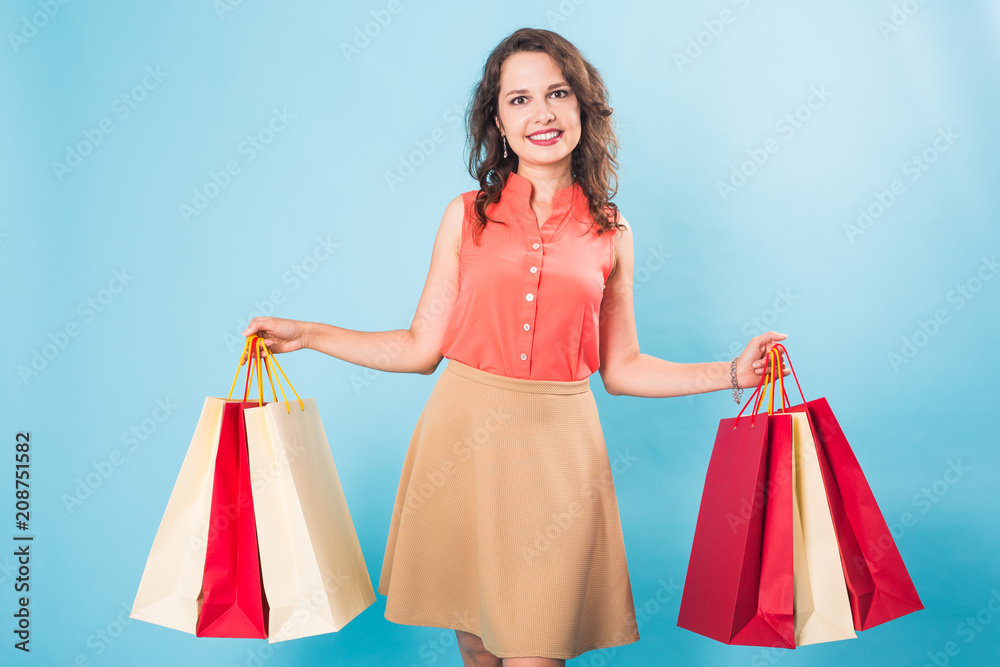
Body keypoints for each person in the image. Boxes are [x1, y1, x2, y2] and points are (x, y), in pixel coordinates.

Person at [242, 27, 789, 667]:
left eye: (557, 93)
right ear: (498, 120)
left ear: (582, 107)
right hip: (461, 441)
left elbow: (623, 367)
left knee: (536, 648)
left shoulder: (613, 232)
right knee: (477, 647)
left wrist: (733, 372)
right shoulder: (466, 214)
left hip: (560, 455)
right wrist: (309, 336)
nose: (542, 114)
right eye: (519, 99)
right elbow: (422, 347)